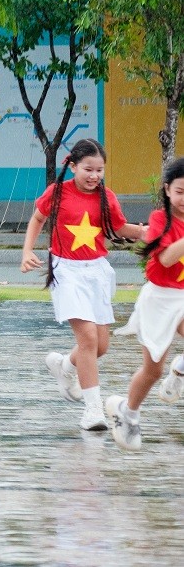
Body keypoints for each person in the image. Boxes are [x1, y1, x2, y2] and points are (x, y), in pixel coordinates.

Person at [20, 138, 147, 431]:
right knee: (88, 339)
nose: (94, 176)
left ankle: (65, 366)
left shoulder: (106, 197)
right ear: (73, 166)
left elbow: (119, 228)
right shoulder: (58, 192)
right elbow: (38, 218)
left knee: (100, 346)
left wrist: (151, 232)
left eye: (100, 170)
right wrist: (27, 251)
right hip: (66, 270)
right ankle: (92, 410)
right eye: (88, 169)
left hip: (97, 272)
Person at [105, 157, 184, 450]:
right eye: (180, 191)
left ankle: (181, 368)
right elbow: (165, 259)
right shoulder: (160, 220)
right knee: (152, 371)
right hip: (160, 299)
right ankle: (128, 412)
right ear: (167, 190)